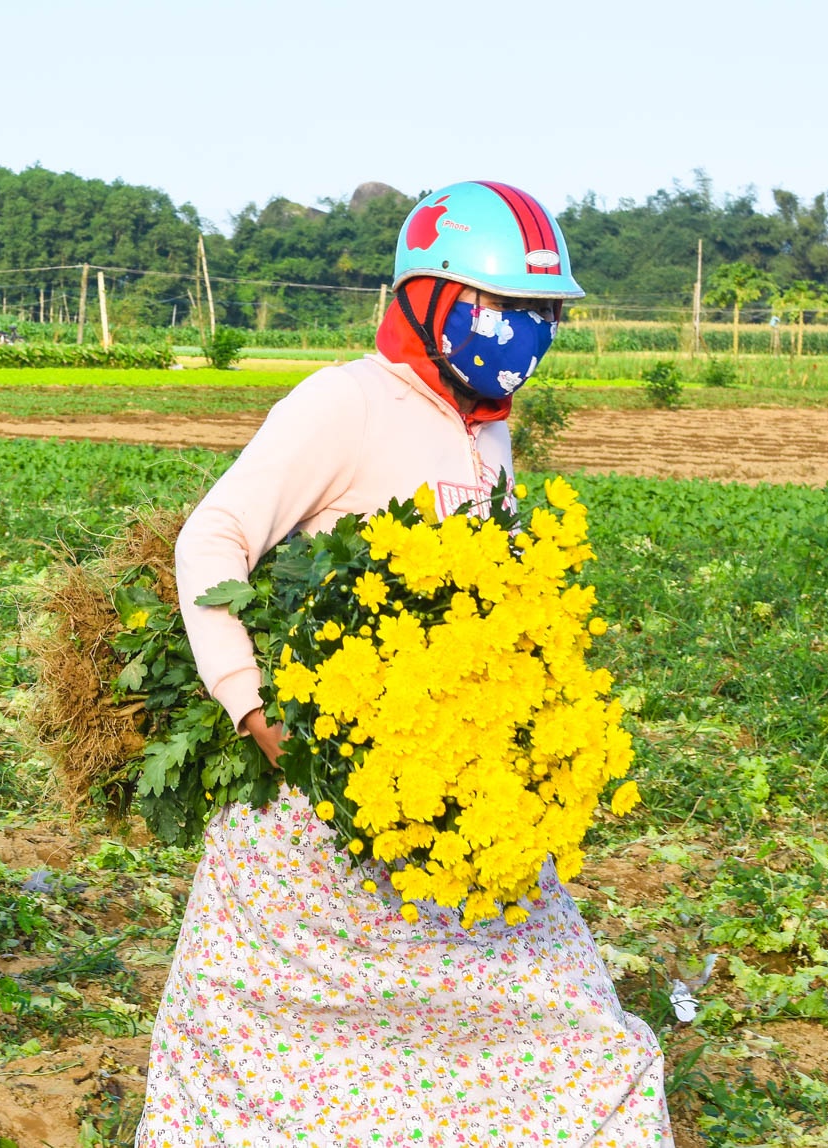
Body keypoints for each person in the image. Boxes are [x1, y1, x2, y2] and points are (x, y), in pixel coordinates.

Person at [140, 182, 672, 1146]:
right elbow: (212, 539)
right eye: (502, 307)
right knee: (269, 1048)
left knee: (568, 1030)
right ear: (424, 296)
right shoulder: (344, 404)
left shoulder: (488, 427)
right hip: (318, 813)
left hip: (453, 810)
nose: (528, 332)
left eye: (542, 313)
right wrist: (254, 707)